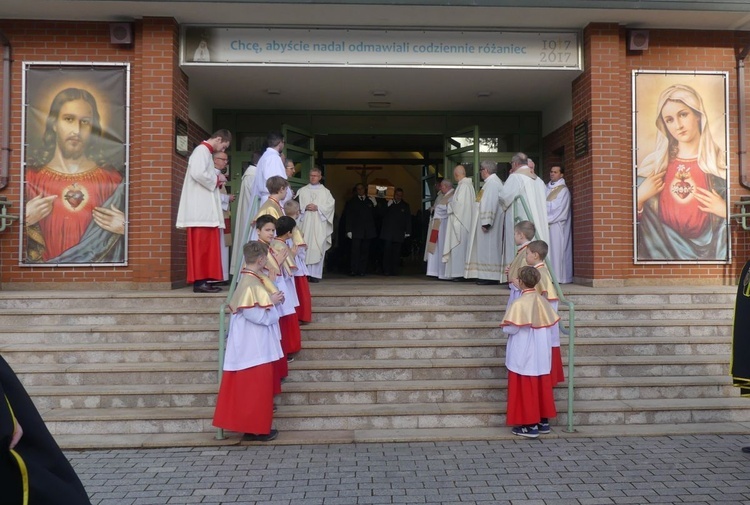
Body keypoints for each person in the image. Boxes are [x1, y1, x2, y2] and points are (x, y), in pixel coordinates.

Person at [25, 87, 125, 264]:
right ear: (54, 124)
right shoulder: (30, 178)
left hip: (98, 277)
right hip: (45, 277)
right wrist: (24, 219)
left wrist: (125, 228)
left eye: (85, 122)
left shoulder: (113, 179)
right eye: (69, 119)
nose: (77, 130)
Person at [636, 84, 727, 261]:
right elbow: (632, 224)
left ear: (698, 115)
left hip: (710, 246)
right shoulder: (654, 165)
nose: (677, 125)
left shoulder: (719, 164)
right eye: (669, 120)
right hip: (661, 246)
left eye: (683, 114)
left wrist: (724, 211)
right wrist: (639, 198)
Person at [212, 241, 285, 442]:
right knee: (255, 391)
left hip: (251, 344)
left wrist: (270, 299)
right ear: (261, 259)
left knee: (252, 390)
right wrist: (274, 304)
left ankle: (254, 427)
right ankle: (256, 429)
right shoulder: (251, 283)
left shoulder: (248, 279)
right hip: (253, 346)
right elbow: (256, 315)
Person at [500, 266, 559, 439]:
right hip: (541, 353)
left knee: (526, 388)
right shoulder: (542, 301)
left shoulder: (519, 303)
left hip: (524, 353)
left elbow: (510, 329)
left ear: (521, 282)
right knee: (541, 386)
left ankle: (530, 426)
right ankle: (543, 421)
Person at [176, 129, 231, 293]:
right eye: (223, 147)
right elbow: (198, 173)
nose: (222, 151)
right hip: (200, 210)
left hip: (204, 208)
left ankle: (206, 279)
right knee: (202, 247)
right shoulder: (201, 151)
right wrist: (216, 178)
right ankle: (200, 282)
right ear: (218, 139)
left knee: (208, 247)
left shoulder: (204, 152)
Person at [498, 152, 549, 276]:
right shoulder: (539, 180)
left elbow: (504, 198)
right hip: (537, 221)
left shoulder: (515, 177)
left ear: (515, 163)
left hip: (522, 221)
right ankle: (537, 275)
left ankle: (518, 276)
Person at [525, 240, 565, 388]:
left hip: (542, 322)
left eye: (527, 254)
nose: (526, 256)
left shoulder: (540, 274)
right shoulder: (539, 271)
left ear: (535, 255)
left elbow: (546, 300)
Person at [464, 160, 505, 285]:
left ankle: (490, 276)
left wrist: (487, 222)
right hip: (484, 222)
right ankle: (484, 274)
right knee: (484, 249)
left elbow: (490, 203)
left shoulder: (492, 183)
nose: (480, 172)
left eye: (481, 169)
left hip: (489, 224)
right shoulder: (489, 183)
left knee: (489, 249)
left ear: (486, 170)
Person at [296, 167, 335, 283]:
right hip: (305, 223)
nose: (313, 178)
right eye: (311, 176)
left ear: (320, 177)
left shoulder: (326, 192)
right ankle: (304, 273)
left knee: (317, 247)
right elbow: (295, 206)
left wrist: (318, 208)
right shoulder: (302, 190)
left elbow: (330, 206)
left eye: (315, 176)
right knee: (305, 246)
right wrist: (304, 208)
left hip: (319, 224)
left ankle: (315, 275)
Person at [230, 150, 262, 276]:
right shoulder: (253, 176)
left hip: (248, 212)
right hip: (252, 214)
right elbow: (256, 197)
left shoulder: (249, 174)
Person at [443, 164, 476, 280]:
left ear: (457, 175)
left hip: (460, 223)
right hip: (463, 221)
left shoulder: (464, 186)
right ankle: (459, 273)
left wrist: (449, 204)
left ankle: (459, 273)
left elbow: (459, 206)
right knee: (460, 249)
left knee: (459, 249)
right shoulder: (467, 185)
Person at [284, 199, 312, 324]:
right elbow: (300, 248)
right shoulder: (294, 227)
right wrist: (303, 251)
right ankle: (302, 315)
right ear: (297, 212)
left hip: (286, 261)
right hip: (296, 263)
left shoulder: (282, 223)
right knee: (300, 291)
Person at [546, 165, 573, 283]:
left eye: (555, 172)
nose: (552, 174)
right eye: (551, 172)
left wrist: (545, 217)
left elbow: (561, 209)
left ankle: (558, 277)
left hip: (557, 225)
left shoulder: (563, 190)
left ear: (561, 175)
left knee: (557, 251)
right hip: (547, 224)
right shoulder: (546, 188)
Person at [344, 183, 377, 276]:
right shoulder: (352, 201)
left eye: (361, 189)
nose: (360, 191)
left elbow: (377, 215)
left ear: (364, 189)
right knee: (355, 252)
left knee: (365, 252)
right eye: (358, 189)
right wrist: (348, 230)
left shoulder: (370, 200)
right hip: (356, 231)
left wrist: (375, 204)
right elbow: (349, 217)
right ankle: (354, 270)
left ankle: (362, 270)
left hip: (368, 231)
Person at [212, 152, 235, 285]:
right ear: (215, 160)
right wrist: (227, 198)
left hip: (222, 214)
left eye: (227, 159)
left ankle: (222, 276)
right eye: (223, 159)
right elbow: (211, 195)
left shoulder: (218, 174)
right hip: (216, 216)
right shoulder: (212, 175)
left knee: (223, 245)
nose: (226, 162)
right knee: (219, 246)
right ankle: (217, 276)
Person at [424, 179, 453, 279]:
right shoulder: (443, 196)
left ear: (447, 186)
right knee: (437, 248)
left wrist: (435, 209)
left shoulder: (452, 195)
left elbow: (448, 208)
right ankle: (435, 271)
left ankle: (442, 273)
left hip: (444, 226)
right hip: (438, 225)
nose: (441, 188)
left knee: (441, 248)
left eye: (442, 186)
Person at [379, 188, 412, 276]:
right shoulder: (387, 203)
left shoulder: (405, 205)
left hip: (399, 233)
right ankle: (386, 270)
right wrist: (387, 205)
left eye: (400, 195)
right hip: (387, 233)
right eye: (397, 195)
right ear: (394, 194)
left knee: (396, 254)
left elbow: (408, 219)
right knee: (387, 253)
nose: (399, 197)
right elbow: (380, 214)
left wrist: (408, 231)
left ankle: (394, 271)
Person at [251, 131, 287, 207]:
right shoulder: (273, 158)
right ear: (280, 142)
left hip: (267, 199)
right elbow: (277, 183)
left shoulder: (264, 157)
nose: (283, 145)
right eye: (283, 142)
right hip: (272, 201)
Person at [505, 221, 536, 309]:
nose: (514, 237)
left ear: (521, 235)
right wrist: (510, 269)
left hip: (520, 289)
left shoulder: (527, 251)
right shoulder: (524, 249)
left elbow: (527, 269)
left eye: (515, 234)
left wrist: (522, 283)